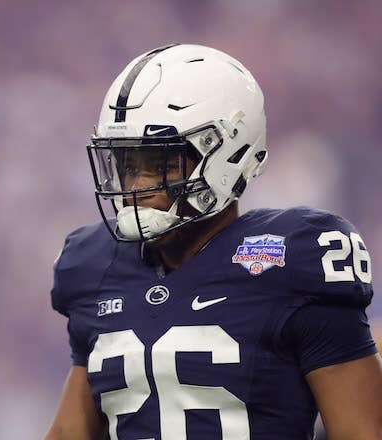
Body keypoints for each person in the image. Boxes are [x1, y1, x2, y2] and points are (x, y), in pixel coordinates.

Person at [45, 44, 382, 440]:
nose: (137, 185)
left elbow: (362, 432)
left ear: (226, 153)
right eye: (128, 164)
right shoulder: (93, 266)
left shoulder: (294, 260)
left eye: (161, 163)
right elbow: (71, 432)